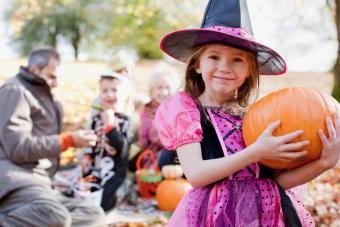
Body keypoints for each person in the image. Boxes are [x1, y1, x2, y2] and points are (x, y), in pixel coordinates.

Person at [154, 1, 340, 226]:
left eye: (237, 60)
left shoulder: (256, 117)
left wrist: (324, 163)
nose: (225, 66)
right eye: (214, 57)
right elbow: (196, 174)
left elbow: (279, 181)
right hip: (214, 216)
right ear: (197, 64)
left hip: (264, 216)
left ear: (249, 70)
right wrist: (255, 152)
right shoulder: (185, 110)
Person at [0, 47, 105, 226]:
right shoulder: (15, 91)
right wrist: (68, 140)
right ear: (34, 69)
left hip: (40, 183)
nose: (56, 83)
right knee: (55, 216)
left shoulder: (47, 96)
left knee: (93, 214)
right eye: (52, 76)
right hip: (14, 181)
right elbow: (18, 148)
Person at [80, 72, 134, 211]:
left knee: (103, 203)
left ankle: (124, 189)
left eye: (114, 90)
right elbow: (90, 141)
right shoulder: (95, 119)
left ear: (123, 94)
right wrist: (87, 155)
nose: (109, 94)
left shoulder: (125, 121)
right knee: (84, 195)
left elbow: (123, 149)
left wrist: (110, 127)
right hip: (96, 168)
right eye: (104, 91)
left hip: (115, 172)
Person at [137, 62, 179, 170]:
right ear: (152, 91)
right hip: (156, 153)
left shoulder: (177, 108)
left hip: (178, 150)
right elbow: (144, 137)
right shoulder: (148, 111)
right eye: (159, 88)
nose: (164, 92)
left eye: (167, 87)